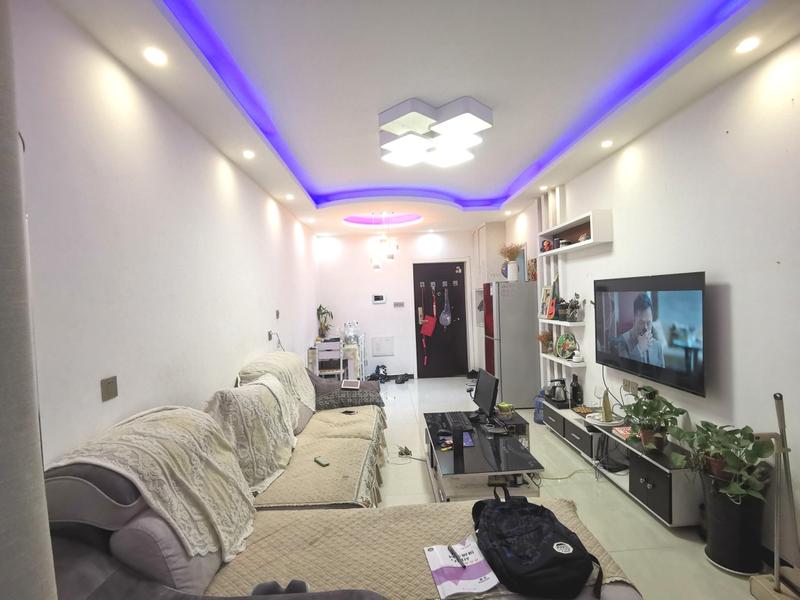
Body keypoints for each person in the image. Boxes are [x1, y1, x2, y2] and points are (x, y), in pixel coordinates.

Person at [614, 293, 665, 367]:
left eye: (648, 323)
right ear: (634, 320)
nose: (646, 328)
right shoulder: (622, 342)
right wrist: (639, 349)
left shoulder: (658, 346)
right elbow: (624, 369)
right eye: (641, 323)